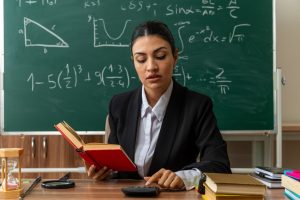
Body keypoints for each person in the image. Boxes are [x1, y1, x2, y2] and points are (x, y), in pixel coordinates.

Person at [86, 20, 231, 190]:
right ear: (133, 61)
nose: (151, 67)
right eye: (141, 59)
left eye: (160, 56)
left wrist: (183, 177)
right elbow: (117, 169)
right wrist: (104, 171)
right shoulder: (119, 104)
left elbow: (220, 165)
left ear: (175, 57)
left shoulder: (197, 105)